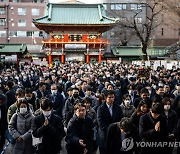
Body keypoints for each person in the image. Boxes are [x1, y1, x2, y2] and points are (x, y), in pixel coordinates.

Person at [97, 90, 124, 154]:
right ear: (106, 98)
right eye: (109, 97)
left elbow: (121, 119)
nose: (111, 99)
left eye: (113, 97)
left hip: (116, 134)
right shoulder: (100, 108)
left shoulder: (118, 107)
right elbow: (100, 122)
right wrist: (109, 130)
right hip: (104, 134)